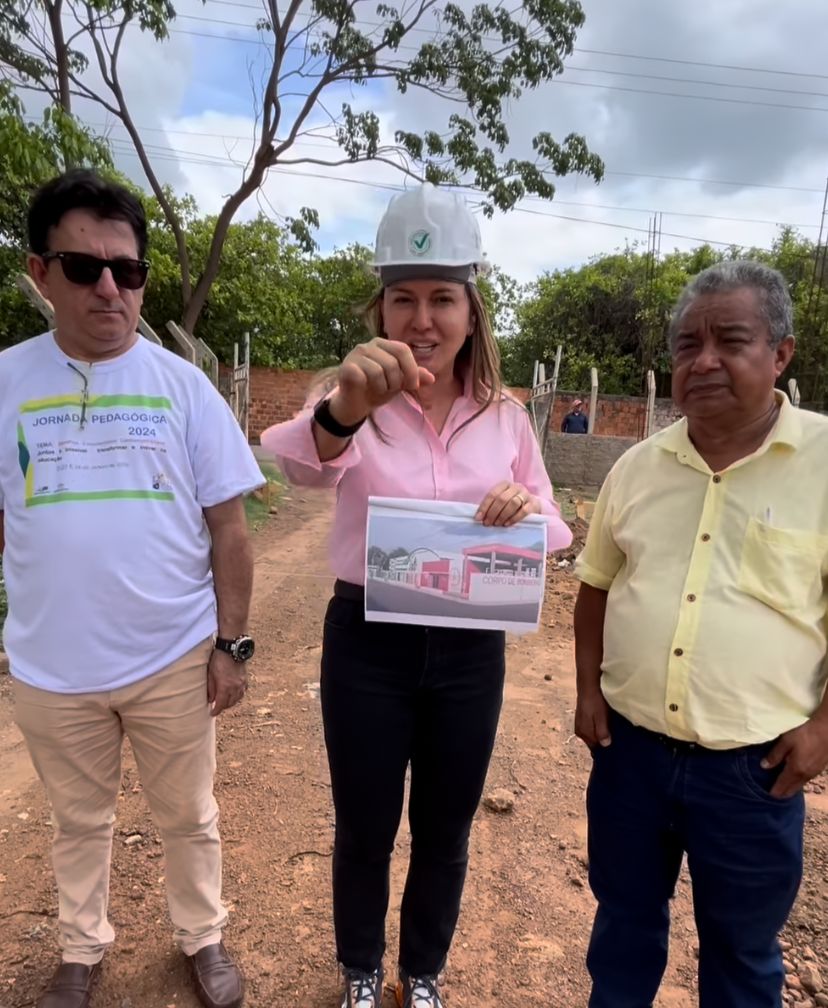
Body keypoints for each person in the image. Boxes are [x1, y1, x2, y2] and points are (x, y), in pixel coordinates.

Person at [261, 183, 572, 1008]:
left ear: (473, 311)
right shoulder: (351, 395)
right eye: (404, 298)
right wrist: (345, 410)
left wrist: (527, 509)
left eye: (442, 298)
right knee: (365, 826)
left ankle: (423, 974)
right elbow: (295, 467)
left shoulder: (504, 416)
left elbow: (556, 526)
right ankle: (362, 970)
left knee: (445, 829)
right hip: (369, 641)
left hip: (471, 649)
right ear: (380, 308)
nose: (422, 317)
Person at [0, 170, 264, 1008]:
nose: (110, 287)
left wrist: (230, 646)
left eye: (129, 269)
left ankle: (203, 938)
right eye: (84, 268)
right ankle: (79, 951)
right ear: (41, 274)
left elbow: (230, 531)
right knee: (77, 821)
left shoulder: (184, 389)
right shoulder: (4, 382)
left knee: (189, 815)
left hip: (171, 659)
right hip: (51, 667)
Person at [573, 260, 828, 1008]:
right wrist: (587, 688)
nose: (704, 360)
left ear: (780, 354)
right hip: (631, 758)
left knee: (743, 957)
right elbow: (593, 585)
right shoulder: (637, 467)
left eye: (730, 340)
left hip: (755, 771)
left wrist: (824, 727)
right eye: (688, 345)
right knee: (622, 931)